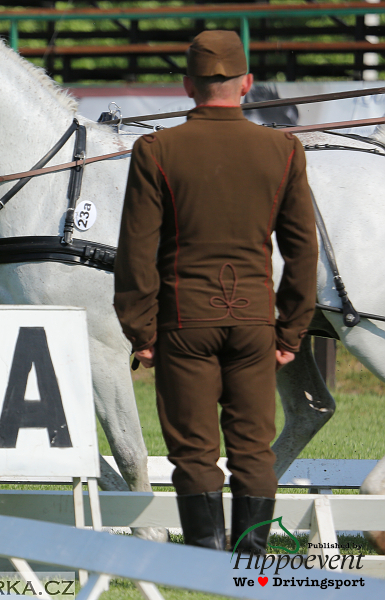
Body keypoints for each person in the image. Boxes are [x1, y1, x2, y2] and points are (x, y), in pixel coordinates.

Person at [113, 31, 318, 553]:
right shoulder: (283, 149)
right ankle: (251, 555)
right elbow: (302, 251)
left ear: (188, 85)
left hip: (184, 322)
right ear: (247, 84)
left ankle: (206, 557)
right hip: (254, 322)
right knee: (254, 449)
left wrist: (140, 331)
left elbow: (136, 252)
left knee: (193, 451)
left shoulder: (156, 150)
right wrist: (291, 331)